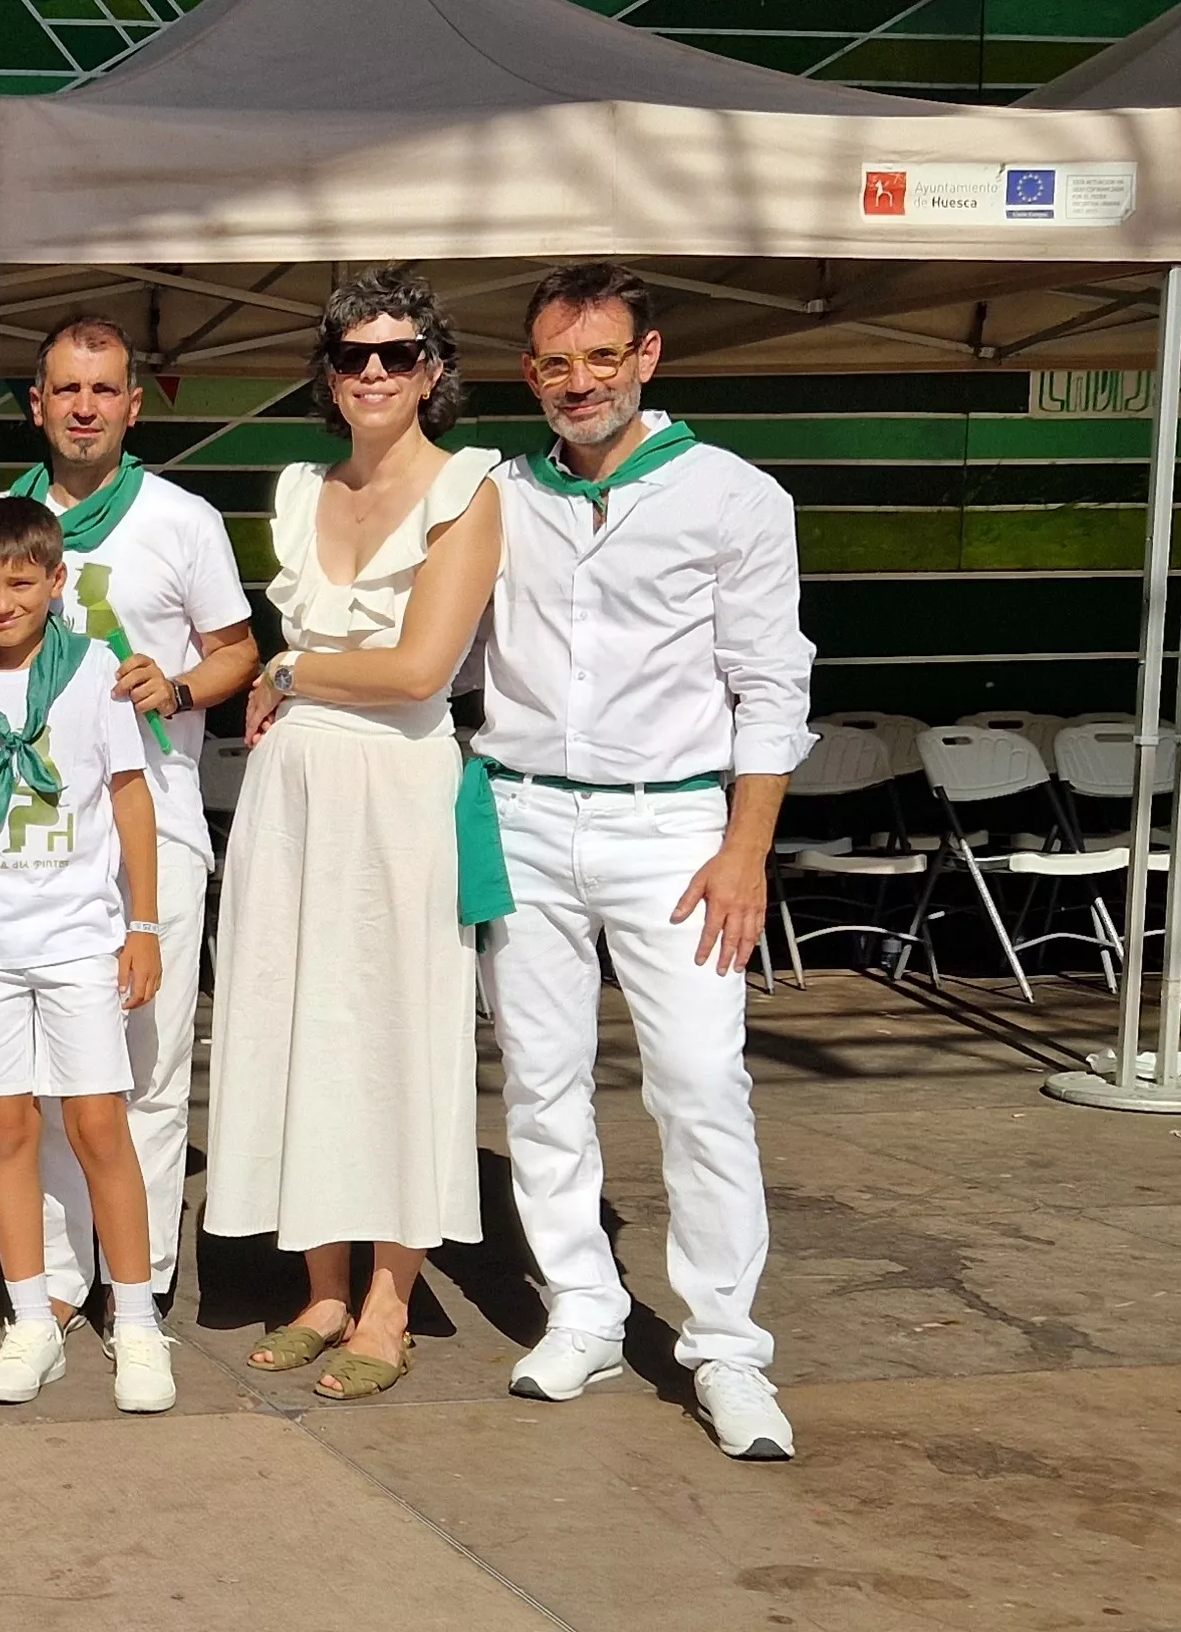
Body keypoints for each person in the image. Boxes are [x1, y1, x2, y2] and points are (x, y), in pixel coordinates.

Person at [481, 264, 812, 1461]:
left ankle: (726, 1349)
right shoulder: (498, 494)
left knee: (701, 1084)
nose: (580, 383)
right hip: (521, 815)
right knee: (540, 1082)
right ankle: (584, 1307)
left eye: (602, 358)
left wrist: (746, 849)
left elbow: (772, 684)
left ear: (648, 358)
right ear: (531, 373)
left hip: (673, 830)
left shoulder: (734, 496)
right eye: (557, 363)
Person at [206, 267, 503, 1403]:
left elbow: (421, 669)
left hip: (396, 790)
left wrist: (290, 668)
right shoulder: (296, 490)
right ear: (328, 376)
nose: (374, 371)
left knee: (394, 1029)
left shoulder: (468, 489)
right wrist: (299, 684)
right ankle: (321, 1288)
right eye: (352, 355)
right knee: (296, 1021)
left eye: (398, 352)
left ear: (433, 370)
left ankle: (389, 1304)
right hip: (292, 791)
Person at [0, 315, 259, 1339]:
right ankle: (55, 1278)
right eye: (67, 390)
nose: (85, 408)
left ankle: (140, 1281)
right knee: (34, 1081)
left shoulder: (181, 518)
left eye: (104, 389)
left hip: (151, 818)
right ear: (36, 405)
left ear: (132, 404)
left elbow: (238, 651)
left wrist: (179, 687)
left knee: (147, 1067)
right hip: (25, 844)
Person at [0, 497, 172, 1414]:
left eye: (19, 583)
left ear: (55, 581)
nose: (1, 602)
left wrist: (143, 926)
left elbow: (129, 798)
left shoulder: (95, 672)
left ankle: (137, 1320)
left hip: (78, 935)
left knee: (96, 1125)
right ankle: (31, 1319)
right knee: (2, 1127)